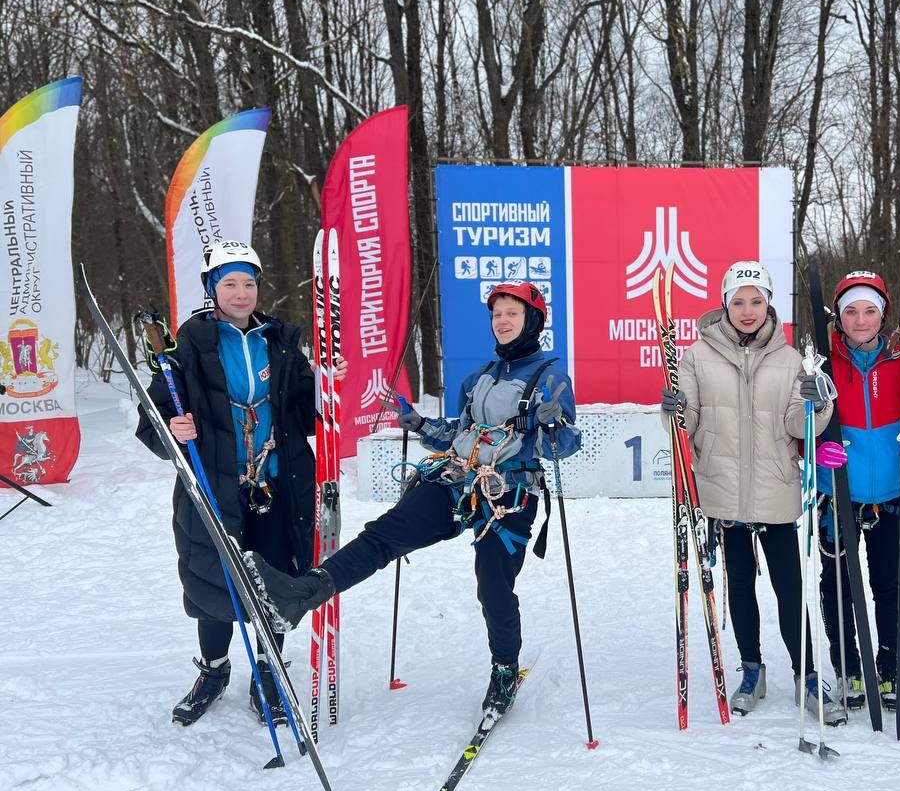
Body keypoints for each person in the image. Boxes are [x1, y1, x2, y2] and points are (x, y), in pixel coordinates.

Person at [245, 281, 579, 718]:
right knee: (384, 535)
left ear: (531, 320)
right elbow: (459, 433)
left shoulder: (550, 377)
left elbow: (565, 446)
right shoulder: (479, 377)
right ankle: (301, 594)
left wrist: (552, 427)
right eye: (497, 314)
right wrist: (421, 425)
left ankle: (504, 669)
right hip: (457, 481)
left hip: (509, 494)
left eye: (512, 313)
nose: (502, 321)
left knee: (493, 583)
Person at [136, 241, 345, 727]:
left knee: (276, 581)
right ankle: (213, 671)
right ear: (212, 289)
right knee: (214, 583)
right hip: (213, 486)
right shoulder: (189, 346)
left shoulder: (280, 342)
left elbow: (304, 415)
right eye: (229, 283)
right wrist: (172, 428)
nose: (241, 293)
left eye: (249, 283)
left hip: (277, 486)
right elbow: (155, 416)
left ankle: (269, 671)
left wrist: (325, 388)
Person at [662, 260, 844, 724]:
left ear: (769, 305)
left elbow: (797, 425)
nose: (748, 310)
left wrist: (817, 404)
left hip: (775, 489)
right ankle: (751, 671)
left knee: (789, 589)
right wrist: (673, 410)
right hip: (723, 491)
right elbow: (687, 423)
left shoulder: (790, 360)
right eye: (739, 301)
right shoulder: (697, 356)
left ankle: (806, 675)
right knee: (740, 586)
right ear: (725, 304)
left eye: (756, 301)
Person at [811, 272, 900, 713]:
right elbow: (798, 423)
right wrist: (814, 447)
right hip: (837, 494)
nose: (861, 320)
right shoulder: (820, 365)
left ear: (883, 315)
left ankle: (891, 667)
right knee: (838, 584)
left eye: (870, 311)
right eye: (852, 312)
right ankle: (849, 669)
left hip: (891, 494)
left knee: (888, 584)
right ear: (839, 318)